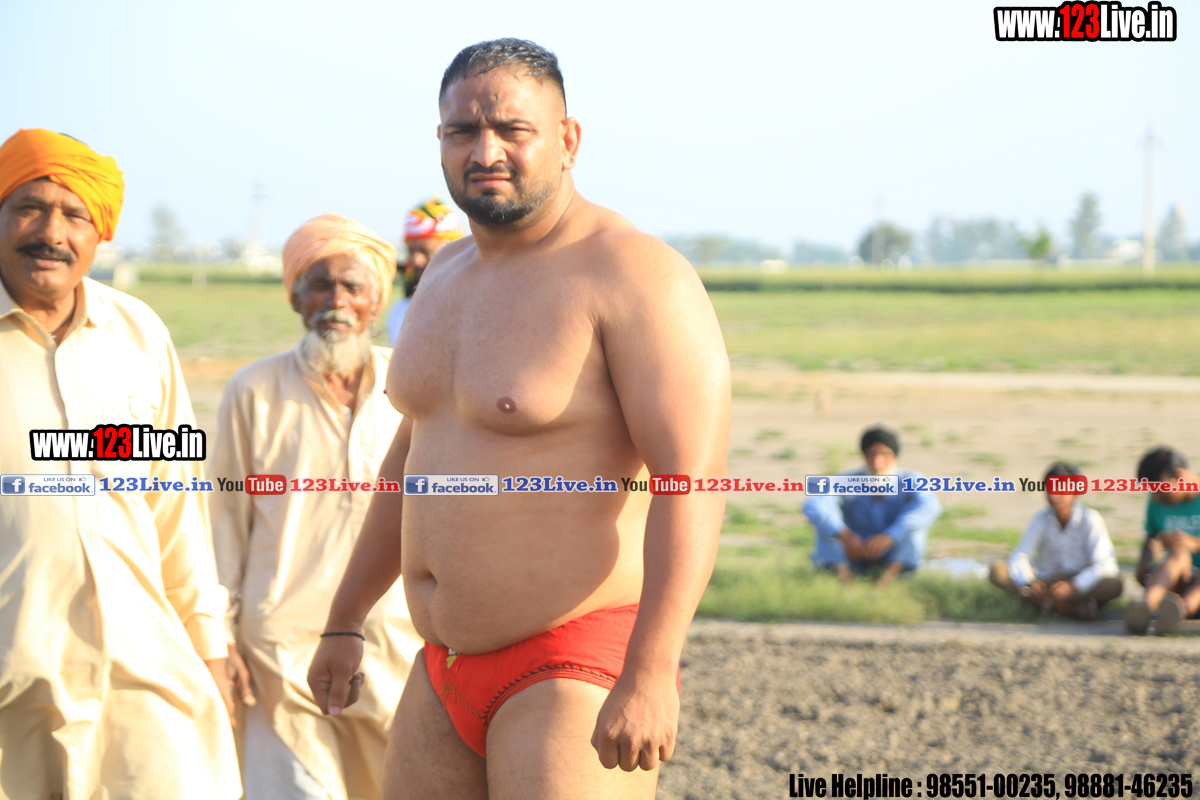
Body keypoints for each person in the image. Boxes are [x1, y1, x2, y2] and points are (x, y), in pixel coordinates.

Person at [306, 39, 730, 800]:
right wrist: (346, 615)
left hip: (569, 664)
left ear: (567, 140)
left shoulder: (632, 273)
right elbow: (415, 455)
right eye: (462, 132)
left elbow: (691, 479)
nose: (485, 151)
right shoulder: (443, 272)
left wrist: (652, 670)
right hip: (443, 667)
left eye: (511, 129)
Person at [0, 129, 240, 797]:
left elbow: (175, 510)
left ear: (99, 234)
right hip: (12, 678)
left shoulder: (138, 335)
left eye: (74, 215)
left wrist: (210, 648)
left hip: (140, 669)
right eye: (29, 207)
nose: (51, 232)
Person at [211, 213, 424, 799]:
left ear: (376, 302)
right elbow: (223, 524)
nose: (336, 301)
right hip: (280, 654)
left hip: (398, 648)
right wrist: (219, 636)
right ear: (295, 298)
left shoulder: (414, 387)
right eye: (319, 285)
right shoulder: (253, 391)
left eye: (352, 286)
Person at [803, 425, 942, 587]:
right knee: (827, 528)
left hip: (892, 553)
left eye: (885, 454)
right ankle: (847, 587)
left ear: (895, 455)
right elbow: (815, 505)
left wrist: (891, 536)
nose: (877, 461)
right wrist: (843, 534)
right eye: (871, 454)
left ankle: (884, 587)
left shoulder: (910, 479)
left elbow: (930, 507)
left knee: (913, 529)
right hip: (853, 551)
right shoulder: (848, 480)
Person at [989, 461, 1122, 620]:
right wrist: (1030, 582)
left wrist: (1074, 586)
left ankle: (1044, 605)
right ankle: (1070, 608)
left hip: (1078, 582)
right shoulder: (1040, 519)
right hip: (1046, 582)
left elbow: (1105, 565)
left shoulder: (1090, 519)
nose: (1054, 496)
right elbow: (1020, 555)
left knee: (1114, 584)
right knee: (997, 570)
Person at [1125, 446, 1200, 635]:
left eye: (1160, 490)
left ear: (1179, 476)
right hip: (1178, 580)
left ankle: (1180, 611)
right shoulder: (1157, 501)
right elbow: (1152, 538)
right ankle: (1144, 608)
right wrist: (1144, 561)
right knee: (1178, 554)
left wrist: (1194, 544)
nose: (1156, 498)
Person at [385, 197, 464, 344]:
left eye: (424, 251)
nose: (416, 261)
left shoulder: (478, 304)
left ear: (451, 248)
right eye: (411, 251)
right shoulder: (400, 311)